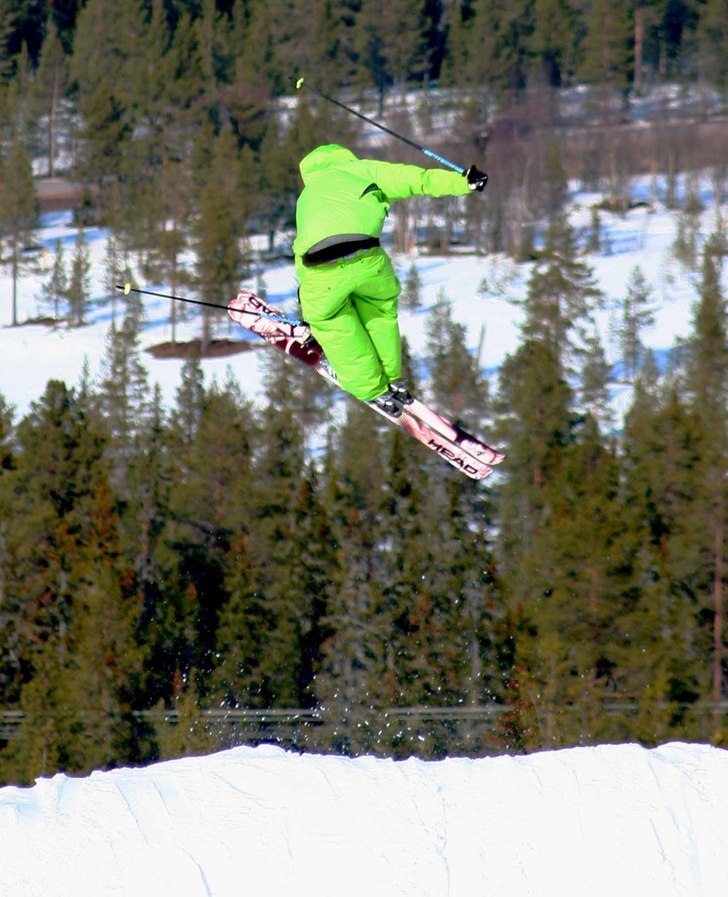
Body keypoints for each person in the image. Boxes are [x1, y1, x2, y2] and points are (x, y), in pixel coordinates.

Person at [292, 144, 487, 417]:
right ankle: (392, 379)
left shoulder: (307, 196)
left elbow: (301, 248)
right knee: (380, 314)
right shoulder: (364, 169)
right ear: (345, 156)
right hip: (368, 257)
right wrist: (463, 181)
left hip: (320, 268)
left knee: (333, 324)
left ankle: (373, 389)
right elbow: (419, 180)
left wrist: (308, 305)